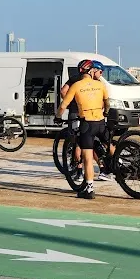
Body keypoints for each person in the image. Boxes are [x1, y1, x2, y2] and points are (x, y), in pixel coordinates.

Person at [56, 59, 109, 199]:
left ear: (80, 71)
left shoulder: (76, 85)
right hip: (101, 122)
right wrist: (106, 112)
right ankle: (117, 163)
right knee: (108, 144)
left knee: (87, 156)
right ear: (92, 71)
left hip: (87, 123)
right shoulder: (100, 84)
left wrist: (57, 116)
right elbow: (107, 102)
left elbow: (62, 105)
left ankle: (89, 188)